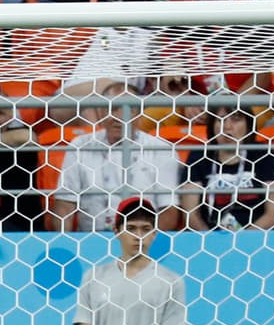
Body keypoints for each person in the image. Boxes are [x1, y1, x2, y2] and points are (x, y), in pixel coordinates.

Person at [74, 197, 187, 325]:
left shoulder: (171, 282)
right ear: (117, 231)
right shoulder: (94, 277)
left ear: (154, 234)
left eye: (146, 229)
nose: (138, 236)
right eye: (131, 228)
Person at [53, 81, 182, 232]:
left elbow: (169, 211)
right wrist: (65, 241)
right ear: (101, 112)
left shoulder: (161, 149)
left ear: (140, 114)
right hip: (91, 238)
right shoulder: (80, 145)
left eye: (129, 110)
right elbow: (64, 204)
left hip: (143, 239)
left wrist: (142, 242)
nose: (120, 117)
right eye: (113, 109)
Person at [182, 107, 274, 230]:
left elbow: (273, 214)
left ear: (248, 125)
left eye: (236, 119)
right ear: (212, 125)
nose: (227, 127)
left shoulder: (264, 154)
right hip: (210, 236)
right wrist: (208, 238)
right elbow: (191, 215)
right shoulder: (199, 155)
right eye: (220, 120)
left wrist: (243, 239)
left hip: (258, 236)